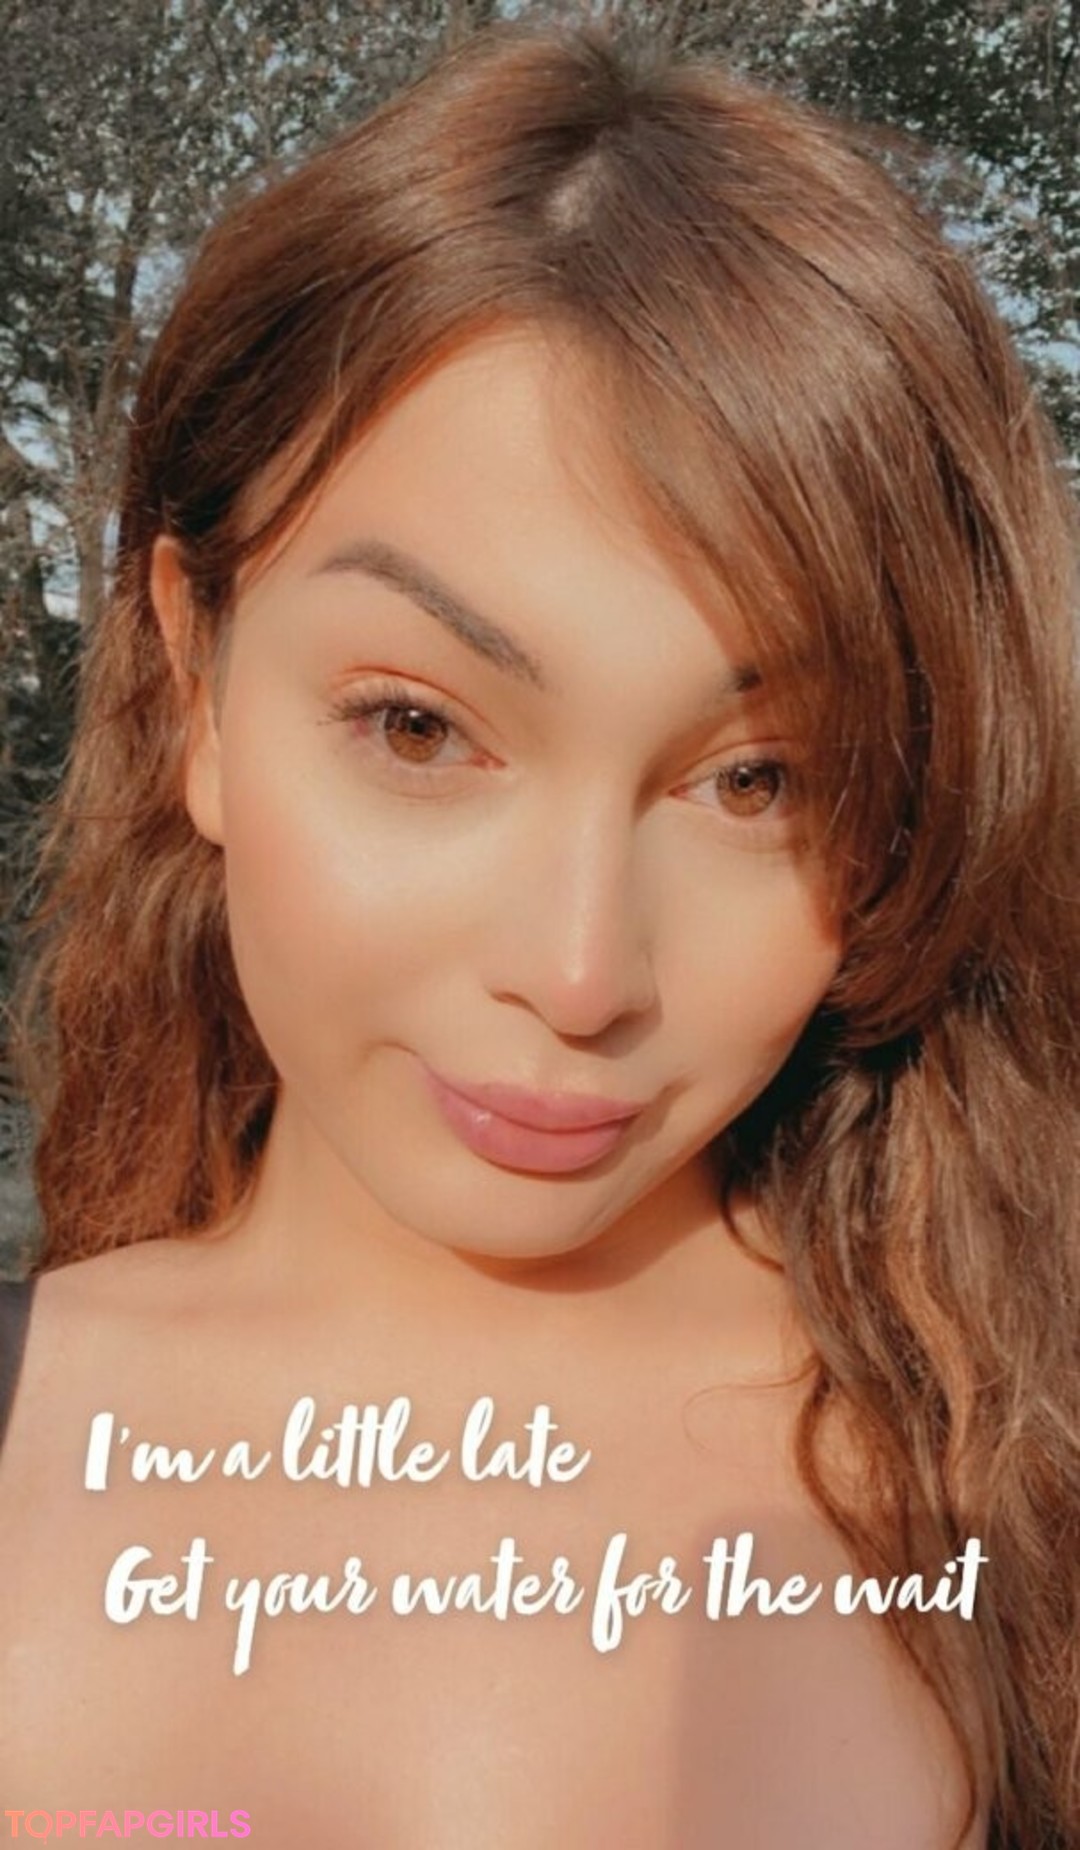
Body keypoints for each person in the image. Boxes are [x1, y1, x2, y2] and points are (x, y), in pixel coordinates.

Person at [1, 17, 1077, 1848]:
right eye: (419, 728)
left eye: (758, 779)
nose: (580, 976)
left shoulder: (1029, 1482)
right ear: (196, 688)